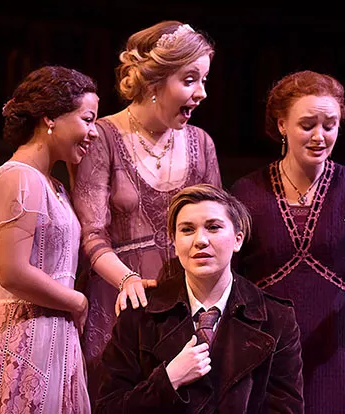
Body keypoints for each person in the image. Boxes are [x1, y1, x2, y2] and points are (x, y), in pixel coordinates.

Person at [230, 70, 345, 413]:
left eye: (330, 125)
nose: (319, 137)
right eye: (307, 125)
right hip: (271, 346)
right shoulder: (247, 192)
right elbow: (230, 275)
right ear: (282, 125)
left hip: (340, 346)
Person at [68, 20, 222, 399]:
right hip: (120, 302)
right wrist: (127, 280)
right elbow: (91, 232)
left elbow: (217, 226)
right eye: (190, 80)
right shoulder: (103, 136)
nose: (202, 92)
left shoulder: (202, 143)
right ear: (155, 82)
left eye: (204, 80)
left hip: (181, 303)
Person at [0, 65, 98, 413]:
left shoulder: (55, 185)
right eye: (87, 119)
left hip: (52, 337)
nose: (94, 132)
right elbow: (13, 272)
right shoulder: (19, 177)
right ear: (49, 118)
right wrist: (77, 301)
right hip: (21, 338)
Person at [95, 183, 304, 413]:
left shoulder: (276, 319)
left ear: (238, 239)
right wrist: (168, 380)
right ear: (174, 243)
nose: (200, 240)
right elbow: (107, 408)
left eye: (213, 227)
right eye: (187, 230)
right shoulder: (140, 314)